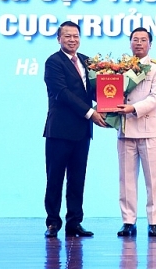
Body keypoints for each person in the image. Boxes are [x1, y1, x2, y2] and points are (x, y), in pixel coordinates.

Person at [43, 21, 108, 238]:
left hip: (81, 131)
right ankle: (53, 223)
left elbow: (94, 90)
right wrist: (91, 112)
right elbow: (62, 93)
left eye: (76, 36)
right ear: (59, 38)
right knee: (55, 178)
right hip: (59, 131)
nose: (72, 40)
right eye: (68, 36)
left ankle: (74, 223)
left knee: (77, 179)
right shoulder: (53, 62)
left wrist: (108, 102)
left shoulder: (87, 61)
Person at [114, 27, 156, 238]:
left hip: (150, 130)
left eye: (143, 40)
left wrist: (133, 109)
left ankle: (154, 222)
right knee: (126, 180)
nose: (138, 43)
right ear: (129, 43)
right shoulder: (119, 67)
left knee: (153, 179)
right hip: (126, 130)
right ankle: (128, 222)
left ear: (150, 44)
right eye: (135, 39)